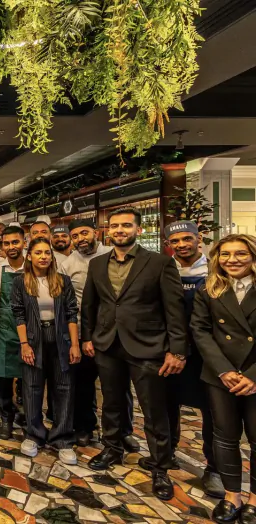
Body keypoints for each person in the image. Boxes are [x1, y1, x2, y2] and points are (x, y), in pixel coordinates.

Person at [82, 207, 186, 501]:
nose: (120, 230)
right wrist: (88, 337)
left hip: (148, 345)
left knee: (154, 409)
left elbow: (174, 310)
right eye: (114, 226)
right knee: (112, 402)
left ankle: (160, 466)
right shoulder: (97, 264)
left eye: (126, 225)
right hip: (107, 344)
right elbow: (90, 304)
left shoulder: (160, 263)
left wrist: (177, 350)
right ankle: (112, 448)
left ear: (138, 230)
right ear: (108, 231)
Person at [153, 221, 224, 497]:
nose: (181, 245)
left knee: (213, 411)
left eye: (186, 239)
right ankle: (166, 454)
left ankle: (214, 467)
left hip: (208, 352)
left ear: (199, 238)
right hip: (169, 350)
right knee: (165, 404)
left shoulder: (217, 270)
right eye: (175, 241)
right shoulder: (162, 268)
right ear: (168, 244)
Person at [191, 234, 256, 523]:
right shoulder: (209, 289)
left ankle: (255, 499)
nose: (233, 260)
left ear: (253, 256)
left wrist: (252, 376)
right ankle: (232, 496)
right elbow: (200, 331)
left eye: (240, 253)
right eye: (226, 254)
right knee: (225, 437)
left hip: (254, 374)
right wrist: (224, 370)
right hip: (221, 375)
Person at [61, 219, 136, 449]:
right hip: (82, 331)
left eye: (84, 233)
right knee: (83, 384)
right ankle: (85, 427)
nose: (80, 239)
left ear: (95, 232)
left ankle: (123, 431)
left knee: (118, 385)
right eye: (75, 236)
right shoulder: (67, 264)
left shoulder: (113, 254)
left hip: (114, 331)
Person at [11, 238, 81, 465]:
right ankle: (34, 434)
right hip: (33, 338)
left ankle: (62, 438)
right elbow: (19, 314)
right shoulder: (20, 282)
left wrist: (75, 344)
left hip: (60, 338)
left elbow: (71, 313)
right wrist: (24, 344)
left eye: (47, 253)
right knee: (32, 387)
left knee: (64, 387)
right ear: (29, 256)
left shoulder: (63, 281)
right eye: (38, 252)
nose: (43, 257)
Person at [0, 226, 27, 439]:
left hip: (30, 330)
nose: (11, 247)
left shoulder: (34, 268)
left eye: (15, 242)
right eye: (7, 243)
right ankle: (6, 418)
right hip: (4, 329)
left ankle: (30, 418)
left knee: (30, 378)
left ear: (24, 243)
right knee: (3, 377)